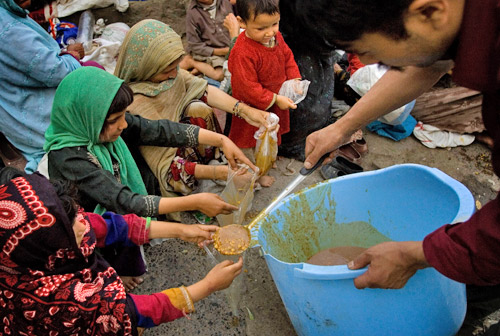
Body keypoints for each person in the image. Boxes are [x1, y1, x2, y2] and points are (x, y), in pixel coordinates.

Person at [302, 0, 499, 301]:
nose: (367, 65)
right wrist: (341, 128)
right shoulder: (452, 22)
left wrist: (417, 254)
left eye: (371, 53)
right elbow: (427, 62)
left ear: (430, 11)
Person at [0, 167, 243, 335]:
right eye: (72, 225)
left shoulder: (41, 234)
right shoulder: (62, 303)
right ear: (50, 249)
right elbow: (134, 311)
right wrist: (209, 285)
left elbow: (116, 227)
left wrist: (184, 231)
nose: (83, 224)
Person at [114, 19, 270, 198]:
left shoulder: (170, 78)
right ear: (145, 68)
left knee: (199, 109)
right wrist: (221, 173)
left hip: (183, 144)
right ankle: (200, 188)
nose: (174, 74)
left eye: (175, 67)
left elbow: (201, 88)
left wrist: (246, 111)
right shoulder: (134, 104)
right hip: (167, 173)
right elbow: (166, 165)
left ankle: (213, 170)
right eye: (167, 71)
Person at [0, 0, 83, 172]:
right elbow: (57, 71)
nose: (30, 1)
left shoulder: (10, 13)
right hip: (39, 124)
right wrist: (71, 56)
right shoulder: (7, 29)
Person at [228, 0, 302, 186]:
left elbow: (288, 57)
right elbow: (247, 87)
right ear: (242, 23)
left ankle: (268, 160)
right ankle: (255, 174)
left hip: (276, 100)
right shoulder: (243, 51)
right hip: (253, 107)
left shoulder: (275, 39)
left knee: (272, 135)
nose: (270, 32)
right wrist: (275, 99)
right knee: (252, 141)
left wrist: (294, 79)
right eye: (261, 28)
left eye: (274, 24)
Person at [180, 0, 234, 82]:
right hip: (212, 52)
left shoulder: (227, 3)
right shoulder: (193, 13)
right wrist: (221, 52)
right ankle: (191, 62)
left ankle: (201, 68)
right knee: (220, 74)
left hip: (231, 47)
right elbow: (195, 45)